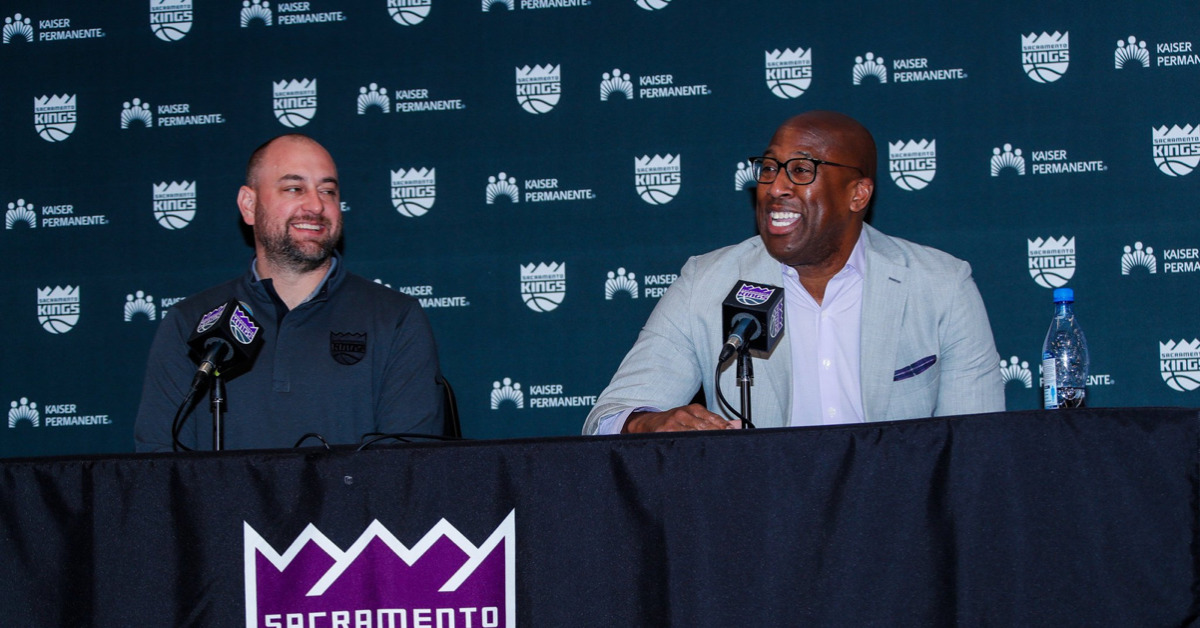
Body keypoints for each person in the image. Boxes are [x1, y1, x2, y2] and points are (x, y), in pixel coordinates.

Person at [584, 111, 1003, 434]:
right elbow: (607, 417)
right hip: (763, 523)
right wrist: (649, 423)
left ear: (858, 194)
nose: (775, 187)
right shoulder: (707, 283)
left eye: (801, 171)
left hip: (899, 523)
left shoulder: (940, 285)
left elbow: (979, 446)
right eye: (768, 169)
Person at [135, 134, 442, 451]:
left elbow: (410, 474)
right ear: (249, 205)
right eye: (294, 188)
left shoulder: (395, 318)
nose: (316, 205)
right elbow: (159, 471)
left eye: (328, 191)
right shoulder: (189, 322)